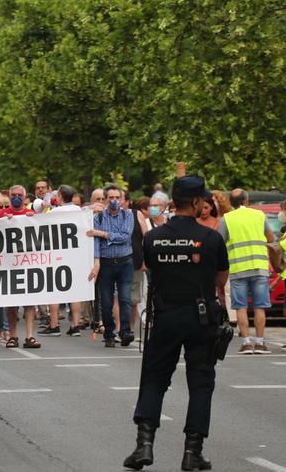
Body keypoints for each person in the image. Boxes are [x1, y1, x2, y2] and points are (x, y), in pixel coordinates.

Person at [123, 176, 227, 471]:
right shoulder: (211, 238)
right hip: (202, 317)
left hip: (166, 316)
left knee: (154, 379)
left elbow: (152, 270)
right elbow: (221, 280)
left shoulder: (152, 238)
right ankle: (192, 452)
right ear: (196, 203)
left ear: (172, 202)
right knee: (201, 383)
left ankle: (144, 445)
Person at [219, 189, 274, 354]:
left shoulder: (226, 219)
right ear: (246, 199)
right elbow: (270, 238)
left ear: (231, 202)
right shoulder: (259, 215)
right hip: (259, 266)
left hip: (238, 268)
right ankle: (260, 343)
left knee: (240, 307)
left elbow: (220, 242)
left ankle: (246, 343)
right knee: (259, 307)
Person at [88, 184, 136, 348]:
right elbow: (94, 241)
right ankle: (109, 332)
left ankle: (125, 330)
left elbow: (124, 237)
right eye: (111, 198)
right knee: (106, 302)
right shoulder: (98, 218)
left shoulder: (128, 216)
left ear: (122, 199)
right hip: (106, 263)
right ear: (107, 199)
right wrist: (96, 261)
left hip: (125, 262)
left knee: (125, 298)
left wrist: (102, 234)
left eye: (117, 198)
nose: (115, 201)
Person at [0, 185, 41, 349]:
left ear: (24, 197)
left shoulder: (32, 215)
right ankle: (12, 336)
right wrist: (2, 223)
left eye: (19, 195)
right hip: (9, 265)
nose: (16, 197)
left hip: (28, 264)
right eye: (13, 195)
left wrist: (33, 220)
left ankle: (30, 336)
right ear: (9, 196)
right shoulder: (1, 215)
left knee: (29, 302)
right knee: (12, 303)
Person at [42, 185, 83, 337]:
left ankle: (54, 325)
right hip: (76, 254)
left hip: (58, 254)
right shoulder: (79, 211)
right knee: (75, 290)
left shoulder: (55, 212)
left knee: (55, 289)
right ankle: (75, 325)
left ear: (59, 196)